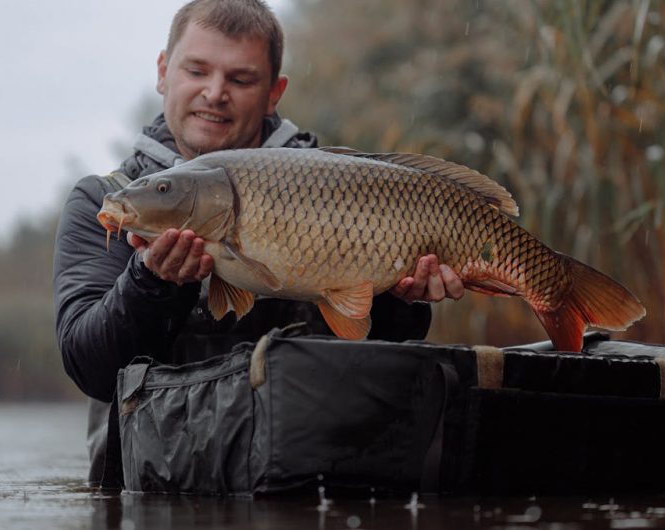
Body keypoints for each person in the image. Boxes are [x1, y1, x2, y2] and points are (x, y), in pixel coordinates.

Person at [52, 0, 464, 488]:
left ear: (274, 93)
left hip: (312, 484)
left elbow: (381, 352)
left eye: (241, 79)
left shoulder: (338, 186)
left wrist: (402, 300)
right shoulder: (105, 201)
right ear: (164, 72)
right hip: (155, 493)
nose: (214, 93)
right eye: (197, 70)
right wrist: (151, 283)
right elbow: (90, 368)